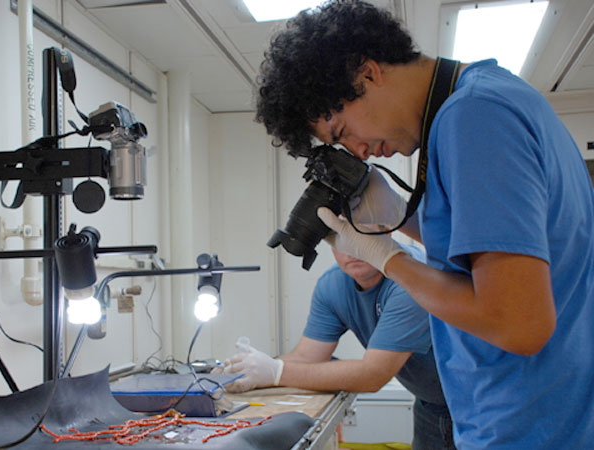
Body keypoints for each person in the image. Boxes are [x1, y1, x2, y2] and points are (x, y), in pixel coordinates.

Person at [252, 1, 594, 449]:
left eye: (340, 132)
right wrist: (401, 216)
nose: (355, 151)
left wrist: (389, 259)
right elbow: (490, 257)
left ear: (367, 73)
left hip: (524, 428)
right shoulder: (492, 96)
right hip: (539, 418)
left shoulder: (473, 117)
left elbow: (520, 325)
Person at [220, 244, 455, 449]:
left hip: (475, 401)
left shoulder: (410, 278)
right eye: (340, 238)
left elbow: (374, 375)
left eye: (361, 234)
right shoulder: (333, 284)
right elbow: (307, 357)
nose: (352, 248)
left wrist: (276, 371)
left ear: (387, 229)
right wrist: (245, 371)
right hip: (430, 403)